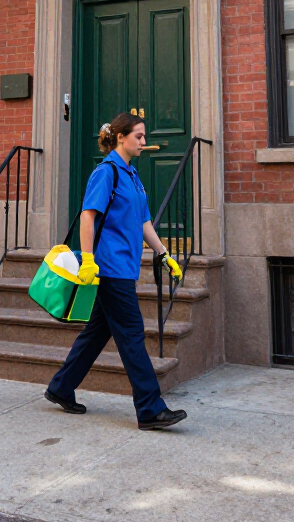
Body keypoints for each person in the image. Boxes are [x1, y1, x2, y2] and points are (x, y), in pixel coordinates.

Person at [44, 112, 188, 430]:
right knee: (133, 336)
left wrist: (165, 255)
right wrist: (87, 261)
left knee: (97, 333)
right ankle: (150, 408)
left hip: (125, 265)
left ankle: (60, 387)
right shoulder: (106, 172)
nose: (144, 141)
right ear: (121, 137)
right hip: (109, 268)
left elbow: (143, 221)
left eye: (144, 136)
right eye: (138, 136)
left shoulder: (132, 175)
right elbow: (87, 217)